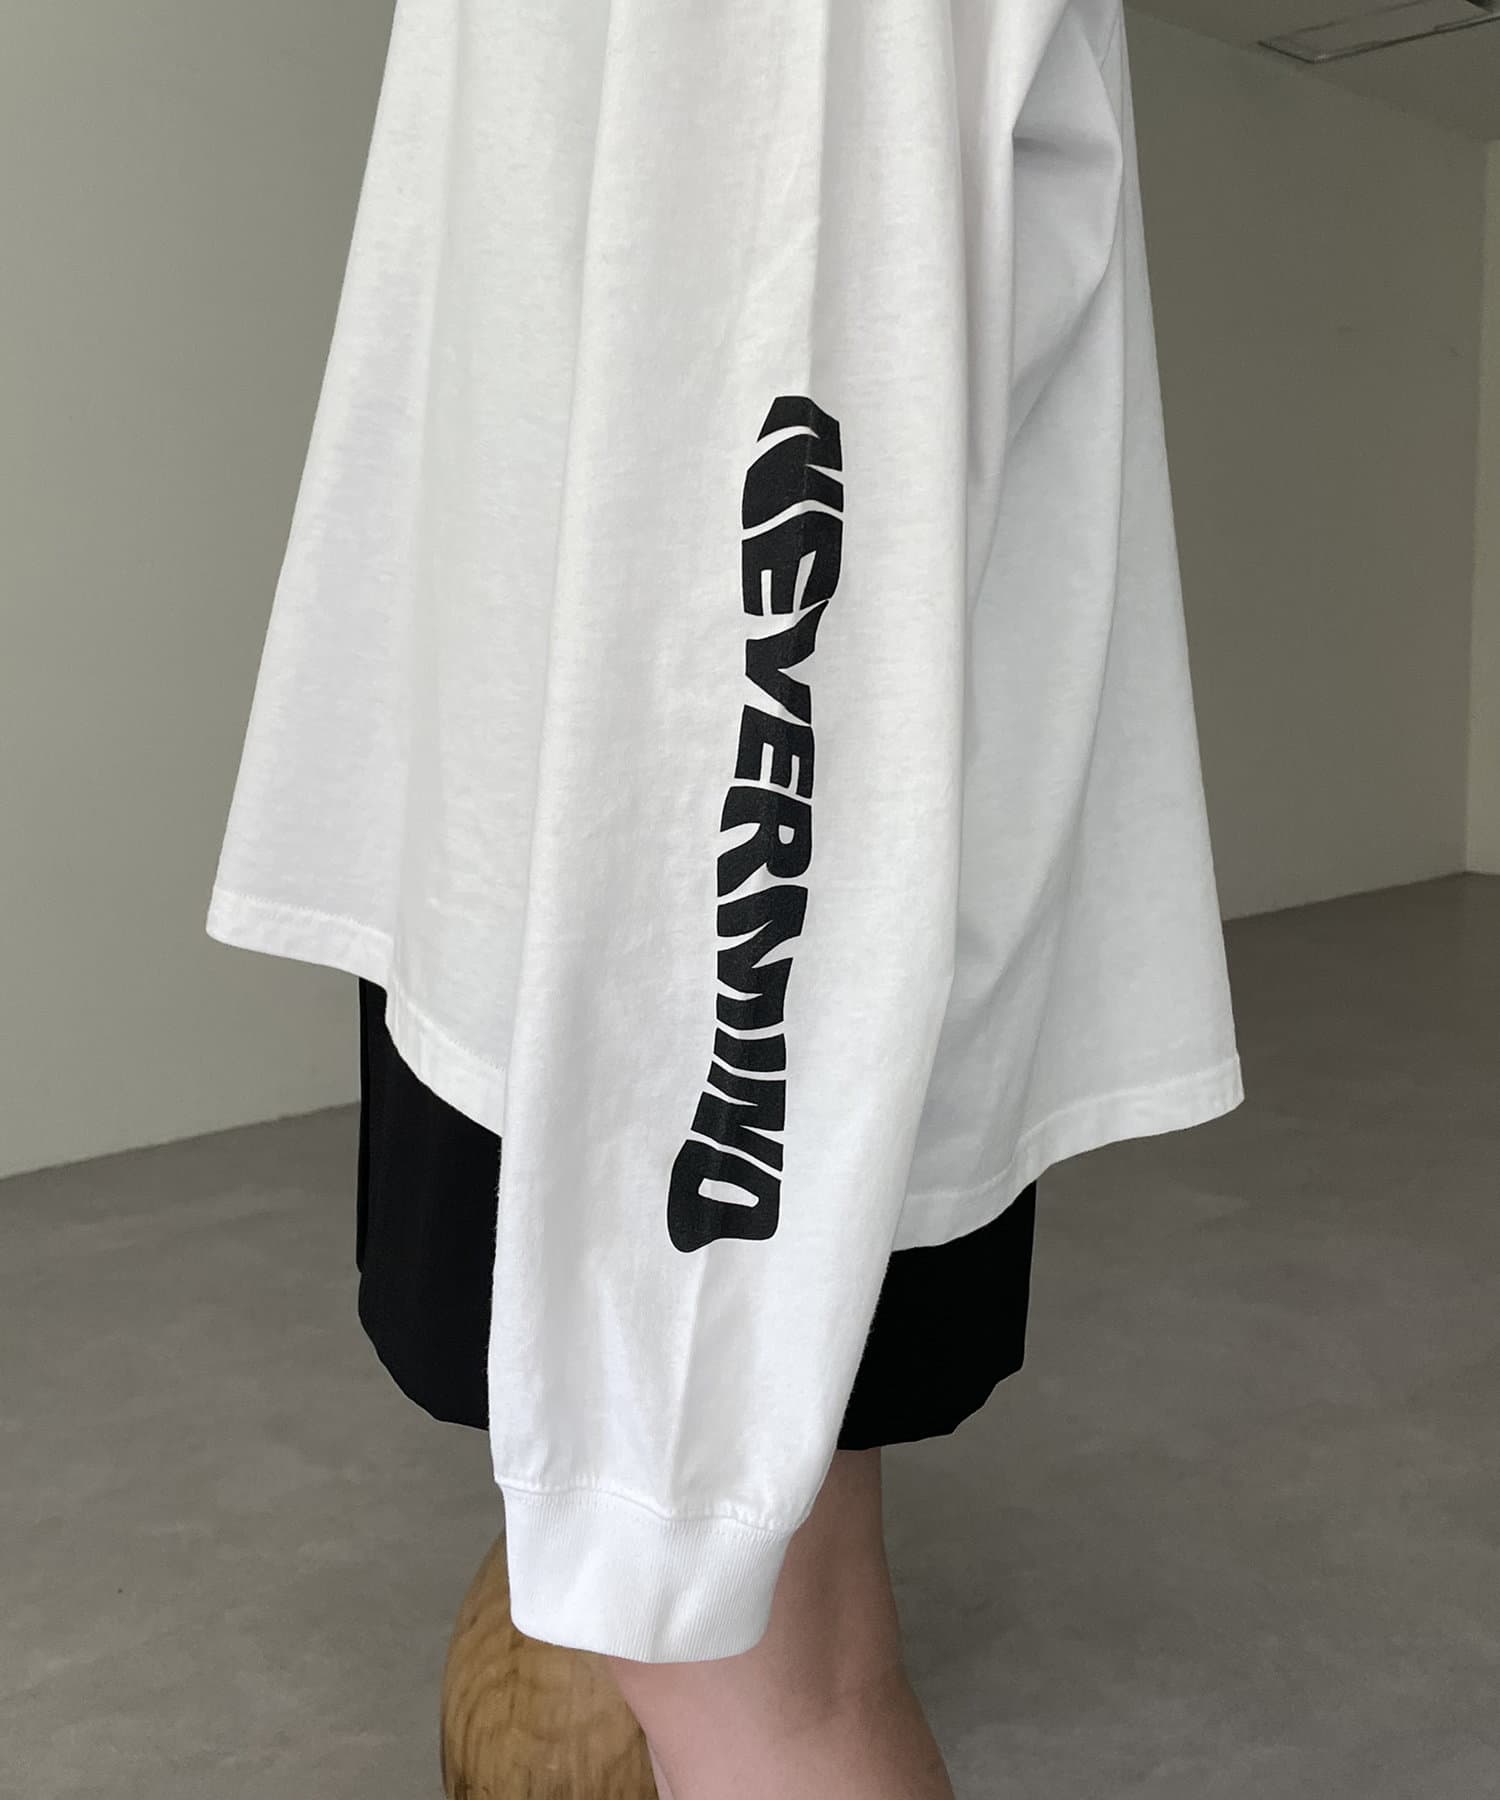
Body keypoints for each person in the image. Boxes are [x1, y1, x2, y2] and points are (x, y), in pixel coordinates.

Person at [207, 0, 1242, 1789]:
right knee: (712, 1623)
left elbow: (787, 280)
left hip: (656, 881)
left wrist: (704, 978)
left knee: (752, 1668)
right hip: (560, 840)